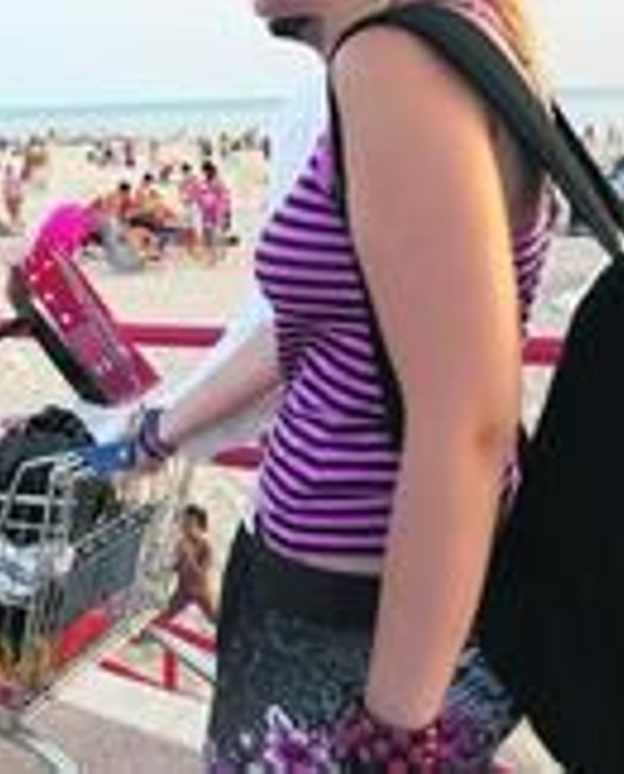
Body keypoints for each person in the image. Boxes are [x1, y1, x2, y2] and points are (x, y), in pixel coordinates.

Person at [127, 1, 552, 768]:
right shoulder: (451, 36)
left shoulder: (392, 61)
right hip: (348, 602)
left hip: (351, 618)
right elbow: (319, 332)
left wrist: (395, 733)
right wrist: (160, 430)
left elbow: (467, 422)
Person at [164, 504, 218, 624]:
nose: (185, 528)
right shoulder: (182, 543)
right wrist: (172, 567)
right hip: (183, 590)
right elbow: (180, 566)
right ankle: (144, 634)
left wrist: (189, 557)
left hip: (200, 591)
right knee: (167, 613)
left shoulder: (205, 547)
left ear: (201, 528)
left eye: (190, 525)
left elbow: (201, 574)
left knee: (214, 617)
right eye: (184, 524)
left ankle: (228, 637)